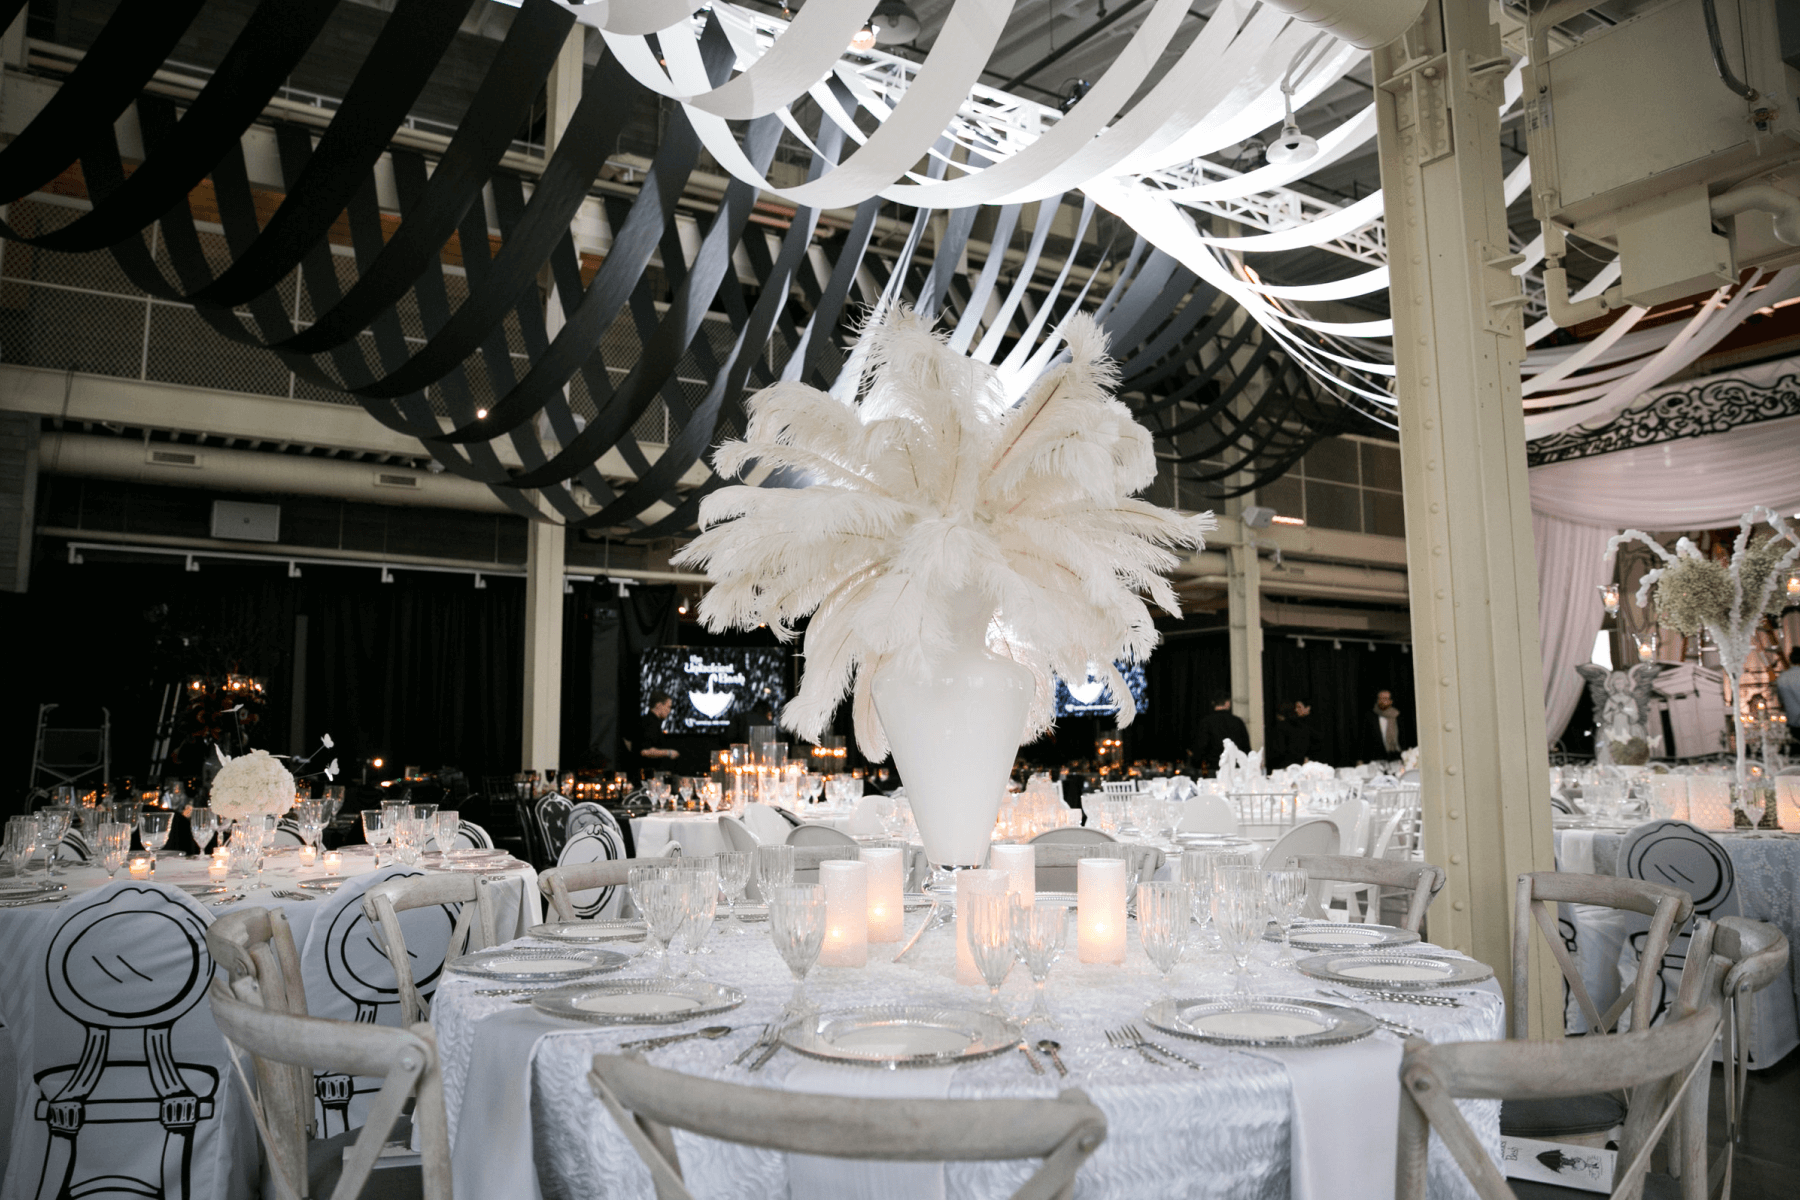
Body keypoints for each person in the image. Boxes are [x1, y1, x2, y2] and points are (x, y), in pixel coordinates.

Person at [1192, 691, 1252, 776]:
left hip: (1214, 769)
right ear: (1228, 703)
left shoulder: (1206, 722)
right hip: (1236, 769)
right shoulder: (1238, 722)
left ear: (1213, 703)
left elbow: (1201, 746)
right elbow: (1246, 747)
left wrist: (1195, 763)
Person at [1268, 700, 1315, 769]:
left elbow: (1279, 750)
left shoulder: (1283, 727)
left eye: (1299, 707)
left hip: (1286, 766)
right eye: (1296, 707)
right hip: (1301, 765)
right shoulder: (1302, 726)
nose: (1296, 710)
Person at [637, 692, 681, 766]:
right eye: (668, 707)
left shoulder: (646, 721)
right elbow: (645, 751)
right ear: (659, 705)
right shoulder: (651, 723)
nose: (669, 710)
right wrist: (669, 752)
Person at [1369, 689, 1403, 762]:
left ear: (1391, 701)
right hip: (1377, 758)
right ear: (1377, 700)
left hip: (1397, 756)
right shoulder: (1371, 717)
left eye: (1386, 698)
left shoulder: (1397, 715)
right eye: (1381, 698)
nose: (1383, 701)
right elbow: (1364, 740)